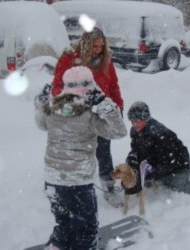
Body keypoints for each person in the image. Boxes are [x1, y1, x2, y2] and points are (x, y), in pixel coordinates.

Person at [34, 66, 127, 250]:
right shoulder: (89, 116)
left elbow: (40, 124)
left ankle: (57, 246)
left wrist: (42, 104)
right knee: (87, 229)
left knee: (64, 224)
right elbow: (119, 131)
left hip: (52, 181)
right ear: (89, 89)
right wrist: (107, 106)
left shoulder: (51, 110)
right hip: (78, 184)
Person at [51, 27, 124, 207]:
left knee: (104, 153)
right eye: (94, 46)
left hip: (101, 115)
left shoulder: (106, 59)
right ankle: (66, 187)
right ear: (85, 44)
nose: (98, 50)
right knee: (76, 153)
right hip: (78, 116)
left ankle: (108, 188)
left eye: (101, 46)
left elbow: (113, 85)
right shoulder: (70, 58)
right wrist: (77, 101)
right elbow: (57, 88)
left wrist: (118, 107)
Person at [125, 101, 190, 198]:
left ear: (145, 118)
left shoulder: (159, 134)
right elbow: (136, 149)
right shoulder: (135, 131)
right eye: (132, 121)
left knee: (179, 186)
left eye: (137, 121)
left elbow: (169, 162)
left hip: (178, 165)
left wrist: (152, 174)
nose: (134, 124)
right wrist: (132, 159)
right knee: (153, 180)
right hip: (159, 163)